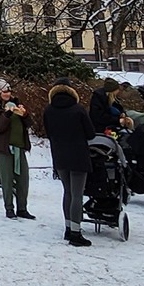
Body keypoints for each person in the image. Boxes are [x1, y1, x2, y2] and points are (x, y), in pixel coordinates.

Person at [43, 83, 95, 247]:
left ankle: (67, 228)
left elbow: (48, 133)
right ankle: (76, 233)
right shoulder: (78, 109)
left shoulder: (48, 110)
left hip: (59, 156)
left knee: (67, 192)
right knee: (77, 194)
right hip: (78, 155)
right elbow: (91, 134)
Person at [0, 77, 36, 220]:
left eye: (9, 91)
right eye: (4, 92)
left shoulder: (17, 104)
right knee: (7, 180)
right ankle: (9, 208)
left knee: (23, 179)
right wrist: (7, 113)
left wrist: (25, 115)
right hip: (3, 149)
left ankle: (22, 208)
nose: (8, 94)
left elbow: (29, 124)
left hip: (19, 147)